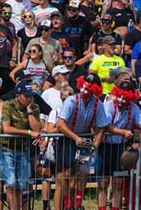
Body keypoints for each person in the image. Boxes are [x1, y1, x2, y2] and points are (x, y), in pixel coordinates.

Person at [56, 73, 109, 210]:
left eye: (88, 88)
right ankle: (67, 204)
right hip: (68, 139)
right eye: (83, 87)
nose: (84, 91)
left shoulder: (98, 105)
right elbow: (60, 124)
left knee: (83, 171)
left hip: (84, 141)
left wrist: (95, 146)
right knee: (67, 173)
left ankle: (78, 202)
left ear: (95, 91)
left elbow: (102, 127)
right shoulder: (71, 101)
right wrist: (75, 138)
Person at [100, 81, 141, 210]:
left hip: (120, 148)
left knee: (118, 182)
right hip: (105, 147)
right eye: (120, 95)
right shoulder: (109, 105)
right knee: (103, 183)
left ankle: (115, 208)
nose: (122, 100)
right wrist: (123, 132)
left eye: (126, 97)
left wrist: (139, 140)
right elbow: (106, 126)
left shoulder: (133, 108)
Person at [0, 81, 42, 210]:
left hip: (23, 150)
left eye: (31, 96)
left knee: (21, 185)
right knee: (11, 184)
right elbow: (6, 129)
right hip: (6, 149)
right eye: (26, 96)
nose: (29, 99)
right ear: (18, 95)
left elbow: (37, 130)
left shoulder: (34, 107)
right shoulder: (8, 105)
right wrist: (29, 133)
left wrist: (30, 112)